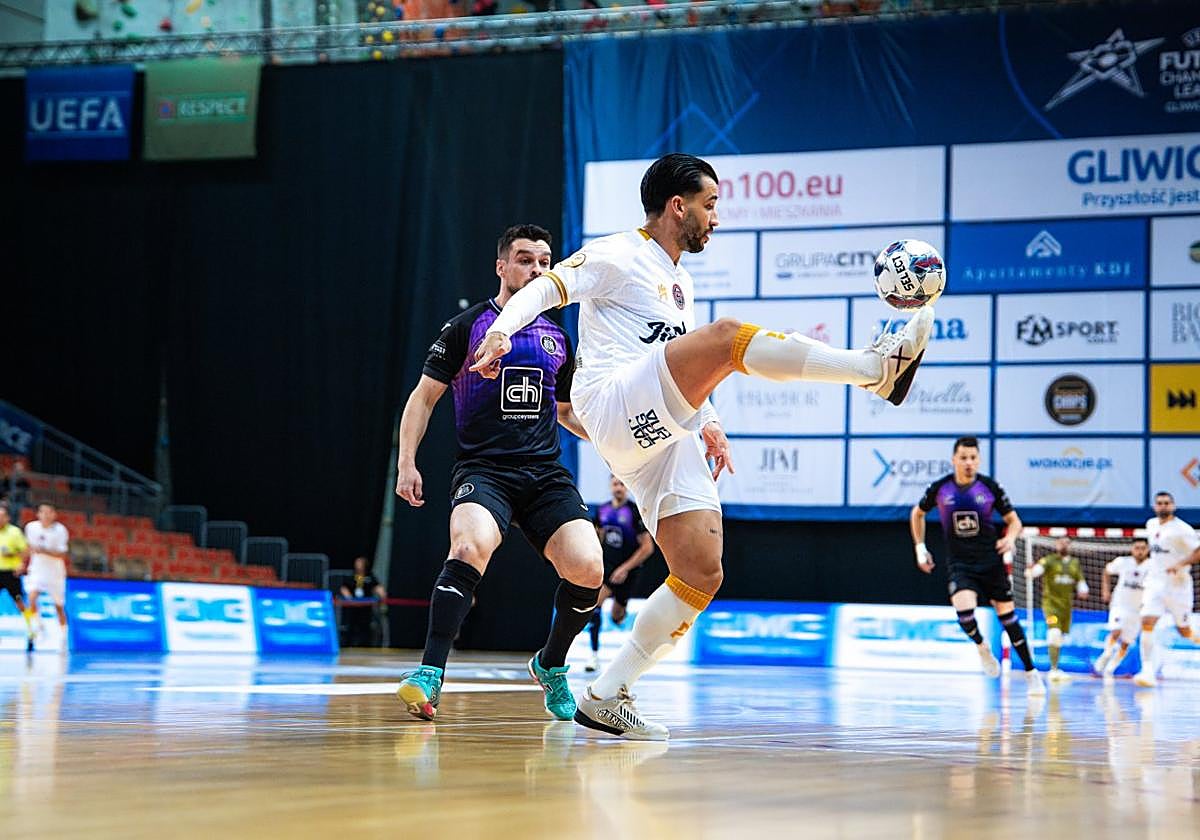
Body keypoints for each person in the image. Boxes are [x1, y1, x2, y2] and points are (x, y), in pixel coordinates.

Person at [470, 154, 933, 739]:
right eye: (710, 205)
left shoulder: (679, 281)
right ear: (677, 206)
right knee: (724, 339)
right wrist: (499, 331)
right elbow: (546, 290)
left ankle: (607, 693)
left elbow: (677, 357)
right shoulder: (618, 252)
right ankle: (872, 371)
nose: (716, 218)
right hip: (612, 403)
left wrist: (709, 420)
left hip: (662, 431)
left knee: (701, 569)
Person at [394, 224, 603, 722]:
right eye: (525, 260)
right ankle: (429, 675)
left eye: (544, 261)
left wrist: (619, 439)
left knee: (589, 569)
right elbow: (423, 399)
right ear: (502, 267)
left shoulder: (557, 336)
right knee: (468, 548)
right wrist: (407, 463)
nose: (536, 269)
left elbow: (568, 412)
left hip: (544, 475)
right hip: (485, 470)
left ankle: (550, 664)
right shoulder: (468, 328)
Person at [910, 437, 1045, 696]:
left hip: (991, 562)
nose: (968, 463)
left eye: (973, 458)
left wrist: (1009, 537)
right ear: (954, 460)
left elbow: (1014, 521)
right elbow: (917, 513)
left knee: (1009, 619)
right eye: (963, 458)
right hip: (961, 563)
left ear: (979, 460)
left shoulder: (989, 487)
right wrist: (920, 548)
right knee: (963, 611)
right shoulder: (941, 489)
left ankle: (1031, 673)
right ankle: (982, 647)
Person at [585, 476, 655, 672]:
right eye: (615, 484)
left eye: (622, 484)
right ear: (610, 486)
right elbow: (598, 537)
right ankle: (594, 656)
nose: (619, 488)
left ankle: (632, 648)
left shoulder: (634, 512)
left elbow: (647, 548)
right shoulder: (602, 510)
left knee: (617, 616)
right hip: (607, 568)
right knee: (595, 605)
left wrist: (625, 569)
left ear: (628, 487)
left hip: (628, 571)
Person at [1133, 491, 1200, 687]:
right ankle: (1147, 671)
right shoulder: (1150, 524)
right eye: (1159, 503)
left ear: (1173, 506)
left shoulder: (1182, 529)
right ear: (1155, 506)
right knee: (1146, 621)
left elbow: (1198, 551)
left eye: (1167, 503)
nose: (1163, 506)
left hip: (1178, 585)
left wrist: (1180, 564)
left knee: (1185, 631)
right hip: (1155, 582)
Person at [1027, 536, 1088, 682]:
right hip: (1050, 606)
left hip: (1066, 608)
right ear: (1056, 544)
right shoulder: (1049, 560)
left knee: (1059, 637)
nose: (1063, 545)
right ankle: (1053, 670)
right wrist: (1031, 570)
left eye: (1066, 543)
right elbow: (1034, 572)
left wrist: (1083, 589)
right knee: (1054, 632)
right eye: (1061, 542)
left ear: (1070, 546)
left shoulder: (1075, 563)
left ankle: (1056, 668)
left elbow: (1081, 581)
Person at [1092, 537, 1150, 678]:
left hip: (1138, 610)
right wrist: (1105, 591)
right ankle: (1106, 655)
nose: (1140, 551)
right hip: (1120, 605)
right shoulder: (1123, 562)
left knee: (1126, 643)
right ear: (1132, 549)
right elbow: (1106, 571)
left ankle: (1111, 669)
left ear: (1147, 550)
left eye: (1143, 548)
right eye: (1137, 548)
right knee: (1116, 631)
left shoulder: (1153, 566)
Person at [23, 502, 70, 643]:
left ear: (54, 514)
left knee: (59, 606)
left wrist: (44, 551)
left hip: (55, 573)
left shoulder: (60, 530)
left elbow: (62, 554)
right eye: (43, 512)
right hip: (37, 569)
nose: (46, 515)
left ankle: (63, 635)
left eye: (49, 512)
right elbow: (29, 548)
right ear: (38, 514)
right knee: (31, 597)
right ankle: (38, 625)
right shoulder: (31, 527)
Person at [0, 503, 33, 641]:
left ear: (7, 518)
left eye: (1, 516)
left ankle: (31, 630)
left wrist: (20, 563)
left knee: (19, 602)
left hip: (11, 573)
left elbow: (26, 551)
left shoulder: (14, 532)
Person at [339, 556, 389, 647]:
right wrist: (349, 597)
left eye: (360, 563)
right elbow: (344, 587)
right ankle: (347, 645)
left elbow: (378, 587)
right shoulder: (352, 576)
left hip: (365, 607)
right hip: (353, 606)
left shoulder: (370, 576)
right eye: (357, 563)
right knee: (350, 626)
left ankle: (365, 645)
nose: (358, 565)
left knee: (365, 627)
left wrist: (382, 596)